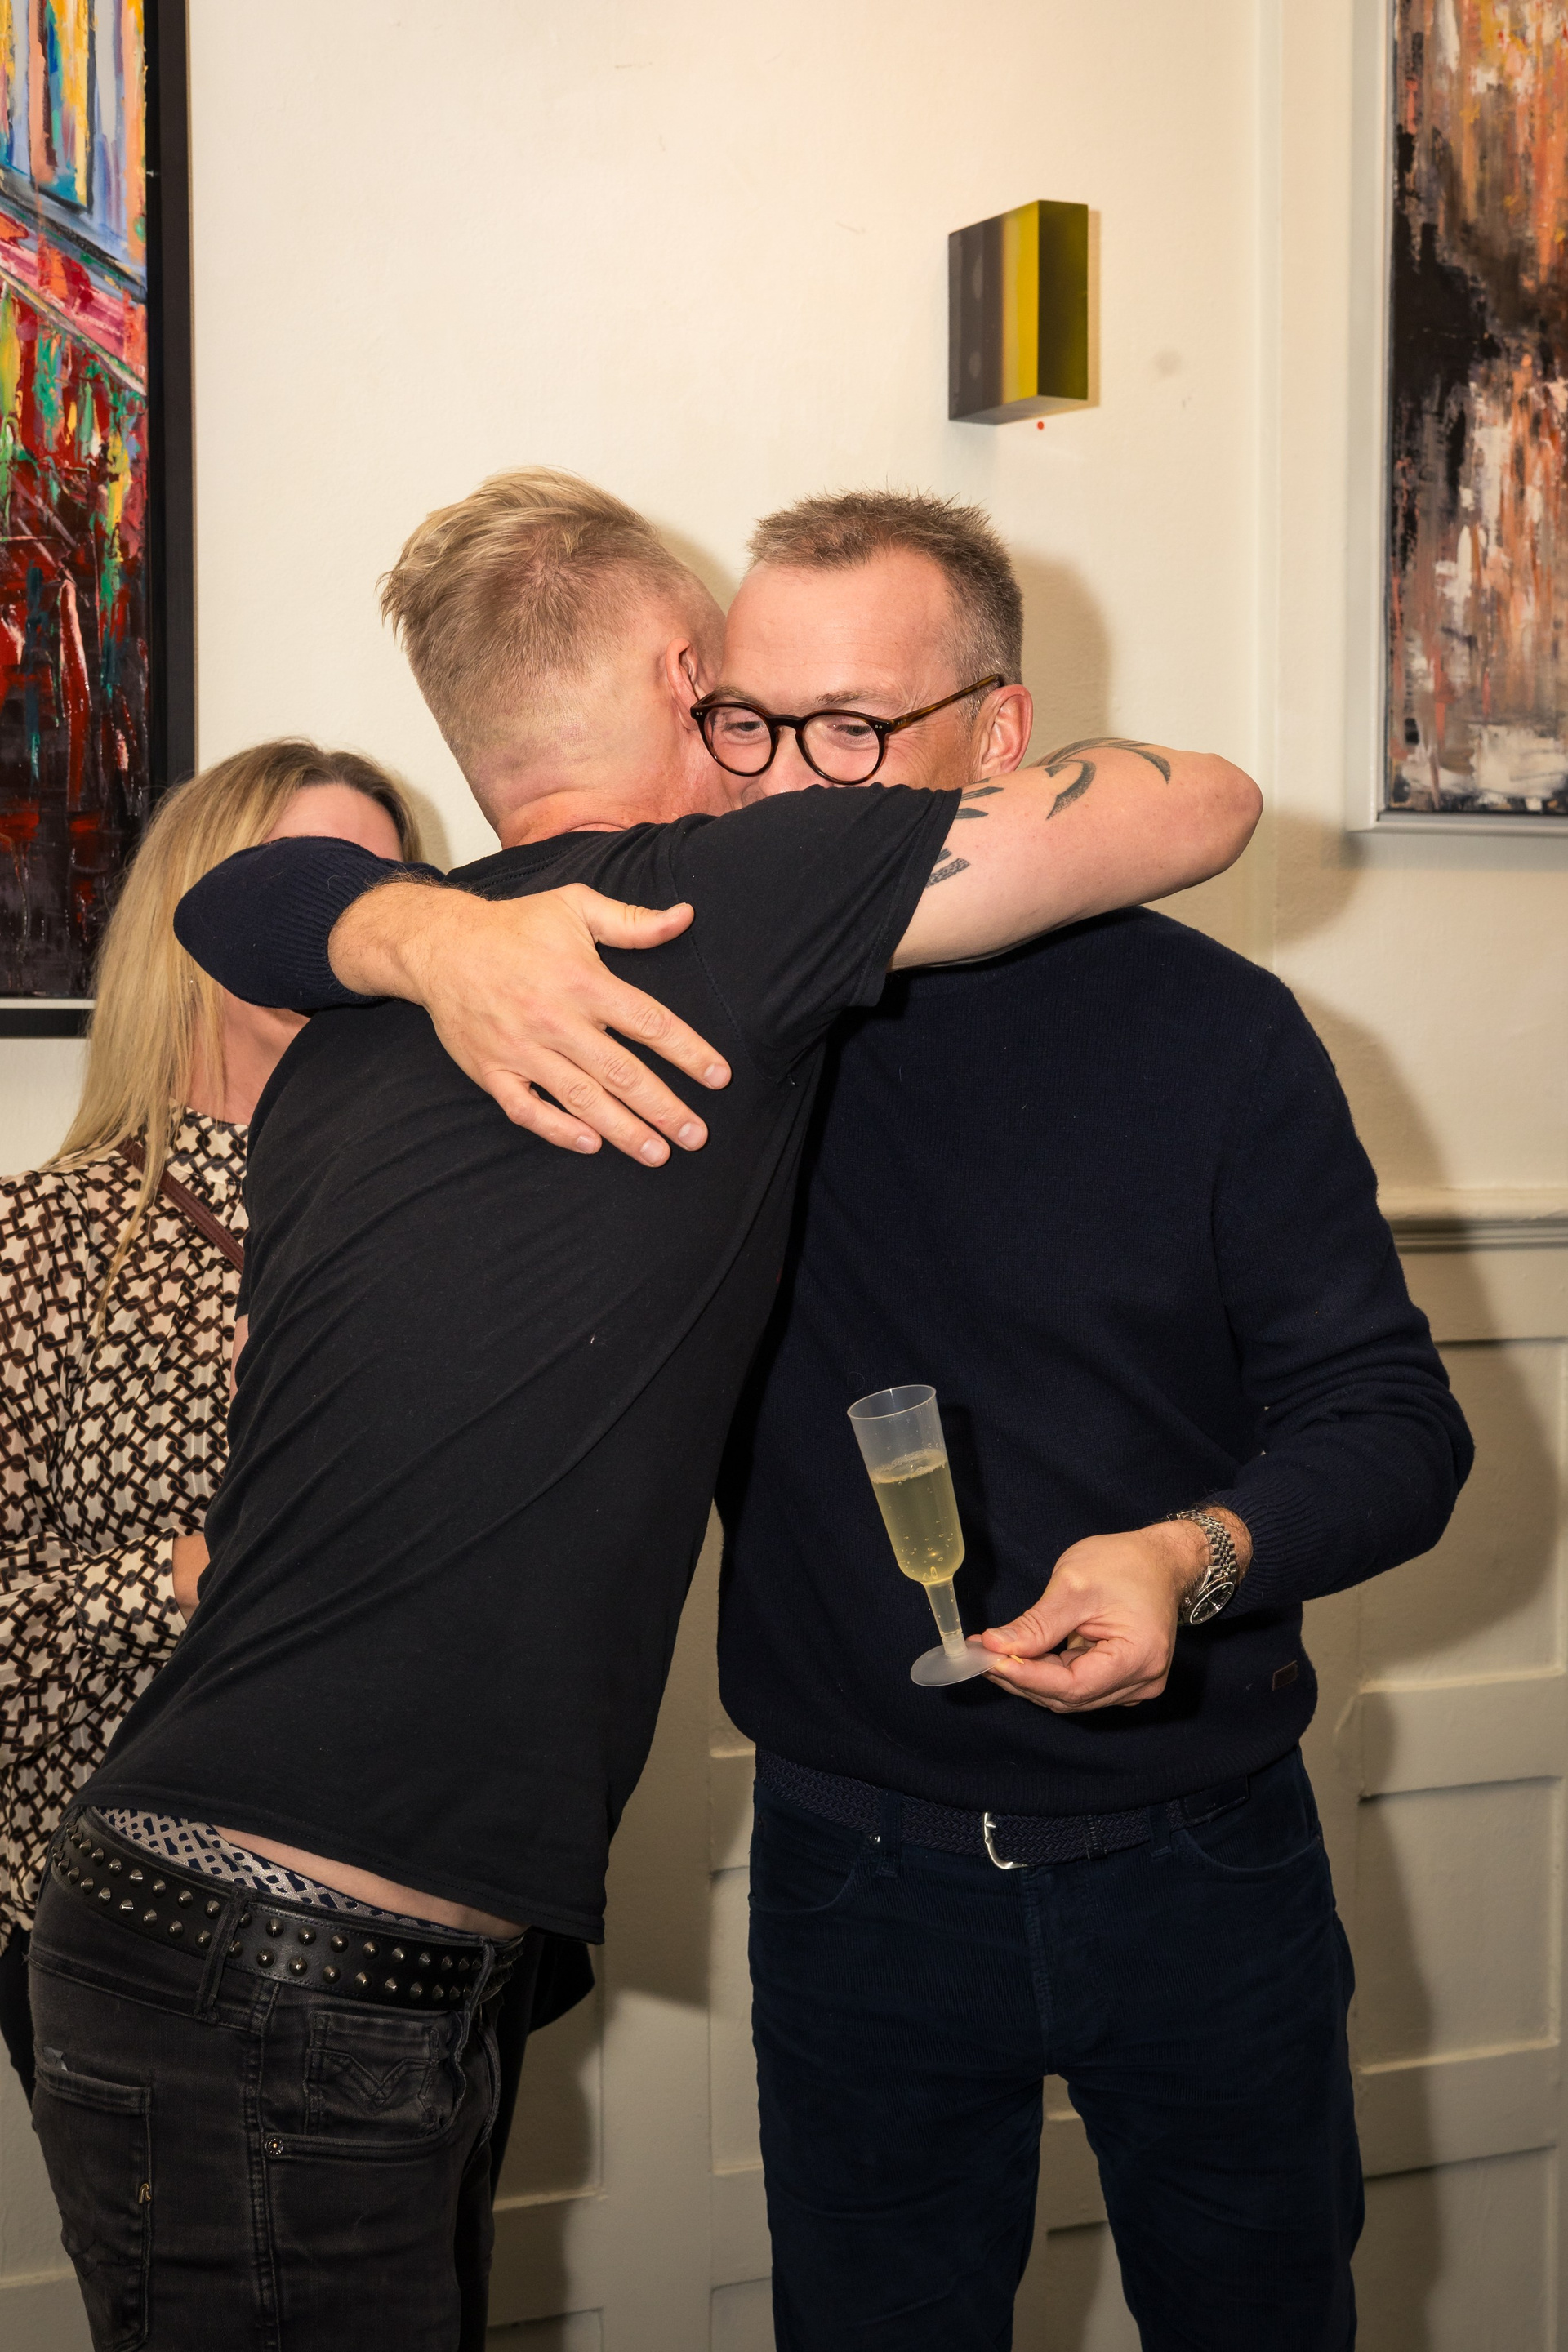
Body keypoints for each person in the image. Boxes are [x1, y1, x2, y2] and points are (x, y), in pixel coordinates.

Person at [201, 483, 1474, 2352]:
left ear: (1000, 737)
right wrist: (422, 934)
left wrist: (1190, 1557)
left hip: (1205, 1866)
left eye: (855, 731)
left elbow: (1396, 1423)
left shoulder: (1218, 1033)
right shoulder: (684, 992)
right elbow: (241, 898)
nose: (790, 781)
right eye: (752, 723)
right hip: (855, 1877)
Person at [0, 740, 418, 2111]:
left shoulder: (450, 1230)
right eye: (304, 887)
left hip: (421, 1916)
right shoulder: (42, 1245)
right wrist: (186, 1577)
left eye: (380, 897)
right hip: (135, 1939)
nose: (344, 934)